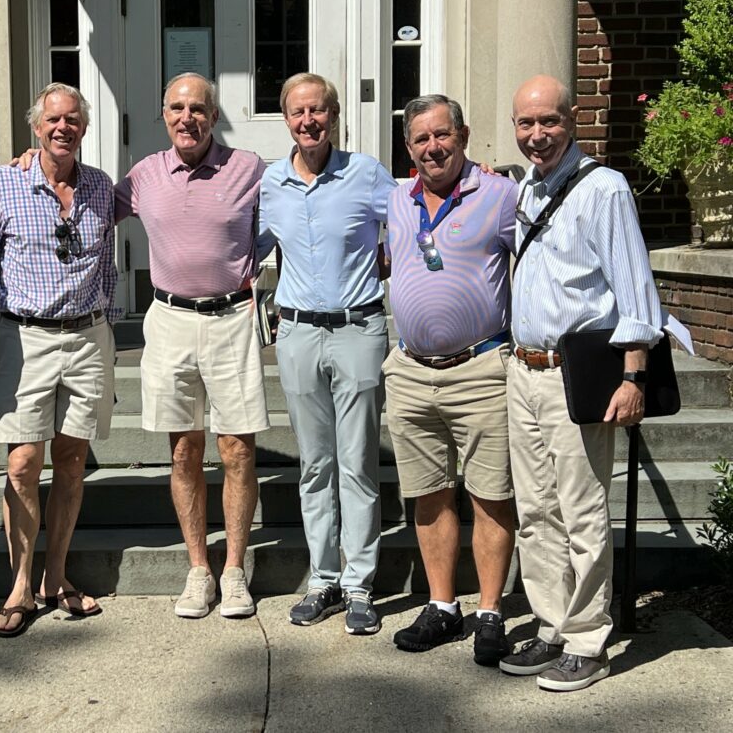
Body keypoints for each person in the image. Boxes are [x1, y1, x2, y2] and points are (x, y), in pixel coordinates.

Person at [501, 74, 664, 691]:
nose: (536, 135)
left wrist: (633, 377)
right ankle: (551, 627)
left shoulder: (604, 189)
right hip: (524, 369)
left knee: (582, 510)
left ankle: (589, 639)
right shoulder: (526, 189)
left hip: (581, 376)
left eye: (548, 122)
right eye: (525, 123)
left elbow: (634, 293)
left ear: (572, 121)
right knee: (537, 511)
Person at [0, 83, 117, 637]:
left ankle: (55, 577)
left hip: (88, 338)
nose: (63, 128)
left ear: (84, 129)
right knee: (21, 465)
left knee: (70, 463)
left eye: (73, 120)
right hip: (25, 339)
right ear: (36, 127)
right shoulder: (3, 182)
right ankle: (19, 582)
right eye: (52, 120)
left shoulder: (103, 187)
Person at [115, 72, 268, 620]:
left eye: (199, 108)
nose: (188, 118)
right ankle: (198, 569)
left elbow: (295, 204)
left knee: (238, 450)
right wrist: (31, 162)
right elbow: (83, 205)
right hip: (170, 320)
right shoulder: (143, 176)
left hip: (231, 318)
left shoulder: (248, 168)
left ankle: (234, 570)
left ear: (213, 115)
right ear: (163, 115)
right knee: (184, 449)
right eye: (177, 108)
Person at [382, 95, 517, 664]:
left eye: (442, 135)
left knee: (491, 494)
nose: (433, 148)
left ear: (462, 135)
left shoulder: (502, 195)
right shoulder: (395, 199)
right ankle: (443, 606)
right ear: (408, 147)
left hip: (481, 368)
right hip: (411, 371)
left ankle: (489, 611)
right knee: (429, 493)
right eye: (421, 140)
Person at [257, 72, 392, 635]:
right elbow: (240, 240)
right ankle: (324, 579)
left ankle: (360, 585)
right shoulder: (270, 183)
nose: (308, 120)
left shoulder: (366, 174)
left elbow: (420, 213)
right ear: (286, 119)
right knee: (315, 465)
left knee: (357, 462)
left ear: (334, 116)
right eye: (297, 112)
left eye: (318, 110)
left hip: (359, 329)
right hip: (297, 335)